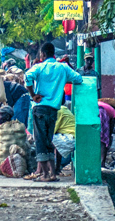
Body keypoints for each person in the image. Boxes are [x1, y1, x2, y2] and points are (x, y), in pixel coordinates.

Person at [24, 42, 83, 183]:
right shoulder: (63, 68)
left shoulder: (39, 67)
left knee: (40, 141)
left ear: (43, 54)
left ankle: (45, 174)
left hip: (40, 107)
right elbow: (78, 79)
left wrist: (33, 95)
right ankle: (52, 173)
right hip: (54, 110)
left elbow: (27, 77)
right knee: (48, 141)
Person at [52, 106, 76, 175]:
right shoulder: (63, 109)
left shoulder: (59, 111)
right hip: (71, 136)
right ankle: (57, 167)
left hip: (70, 138)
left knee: (48, 139)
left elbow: (53, 130)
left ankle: (50, 168)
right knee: (56, 143)